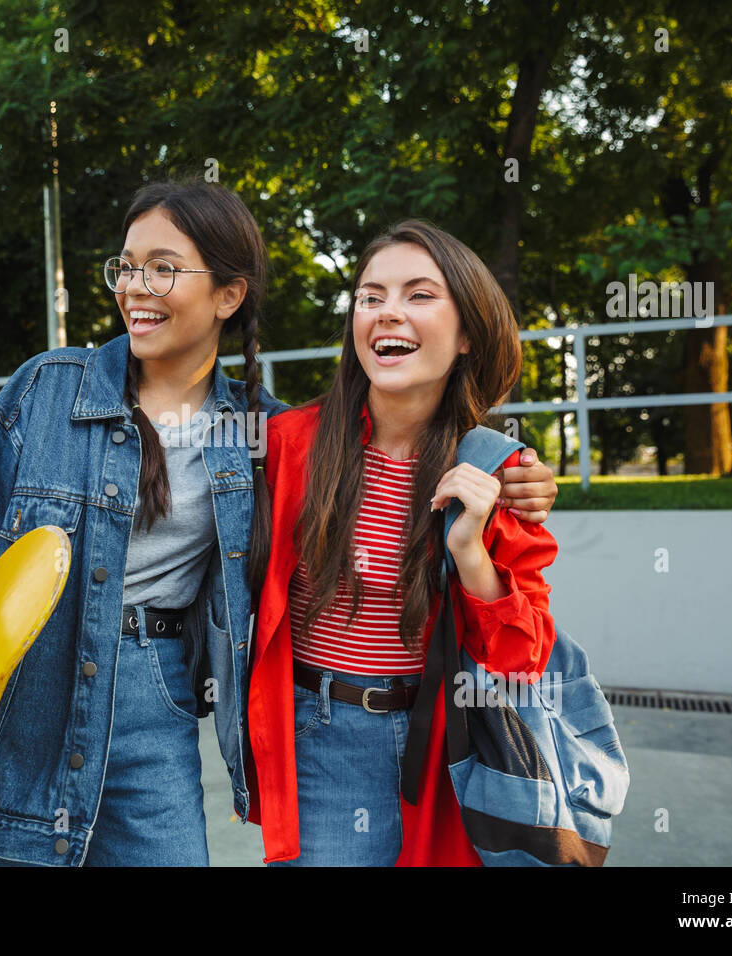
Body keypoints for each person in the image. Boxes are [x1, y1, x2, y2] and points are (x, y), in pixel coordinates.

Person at [0, 182, 556, 866]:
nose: (134, 288)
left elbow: (390, 463)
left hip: (157, 705)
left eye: (162, 269)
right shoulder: (48, 390)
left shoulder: (260, 435)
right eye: (125, 268)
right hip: (23, 698)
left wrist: (516, 483)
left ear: (229, 294)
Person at [246, 219, 560, 866]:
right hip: (320, 737)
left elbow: (521, 664)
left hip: (446, 750)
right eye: (370, 296)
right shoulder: (288, 446)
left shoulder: (496, 473)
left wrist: (471, 554)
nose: (389, 312)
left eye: (419, 295)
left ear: (468, 333)